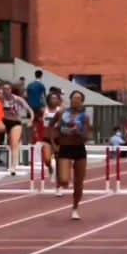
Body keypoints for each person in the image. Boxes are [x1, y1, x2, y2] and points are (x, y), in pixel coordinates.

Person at [50, 91, 92, 220]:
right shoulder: (62, 113)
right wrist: (54, 143)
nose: (76, 101)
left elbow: (88, 135)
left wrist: (80, 133)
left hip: (79, 148)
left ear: (82, 101)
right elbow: (51, 126)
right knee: (63, 180)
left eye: (79, 99)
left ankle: (75, 208)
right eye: (74, 98)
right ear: (70, 99)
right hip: (65, 148)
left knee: (79, 183)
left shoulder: (85, 117)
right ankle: (59, 178)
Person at [40, 92, 62, 177]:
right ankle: (49, 166)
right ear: (48, 100)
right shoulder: (43, 110)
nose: (53, 100)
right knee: (47, 159)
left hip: (58, 137)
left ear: (58, 100)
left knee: (59, 158)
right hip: (47, 137)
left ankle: (59, 174)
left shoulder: (60, 110)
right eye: (52, 98)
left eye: (55, 98)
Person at [26, 70, 47, 136]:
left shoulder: (29, 85)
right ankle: (37, 135)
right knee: (39, 122)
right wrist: (45, 106)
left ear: (35, 75)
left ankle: (29, 137)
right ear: (41, 76)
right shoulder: (41, 85)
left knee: (30, 121)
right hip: (38, 106)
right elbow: (43, 97)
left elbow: (26, 95)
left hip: (29, 106)